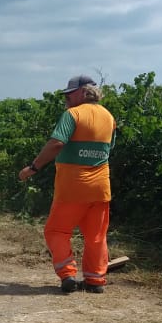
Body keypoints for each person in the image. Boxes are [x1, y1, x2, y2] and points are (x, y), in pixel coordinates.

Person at [18, 75, 116, 294]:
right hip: (101, 188)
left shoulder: (72, 115)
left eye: (69, 94)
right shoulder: (109, 117)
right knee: (96, 236)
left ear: (83, 92)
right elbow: (107, 150)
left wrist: (33, 168)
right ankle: (95, 280)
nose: (66, 98)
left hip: (73, 188)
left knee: (56, 232)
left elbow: (57, 144)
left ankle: (68, 275)